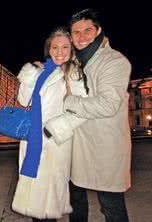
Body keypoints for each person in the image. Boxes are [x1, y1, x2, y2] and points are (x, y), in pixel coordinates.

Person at [44, 9, 132, 222]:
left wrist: (69, 101)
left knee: (111, 205)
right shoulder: (75, 61)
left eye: (87, 31)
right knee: (77, 204)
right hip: (77, 144)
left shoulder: (114, 61)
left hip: (104, 145)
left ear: (98, 30)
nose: (81, 37)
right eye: (76, 32)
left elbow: (108, 105)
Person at [11, 27, 87, 221]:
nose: (59, 52)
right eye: (55, 47)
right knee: (36, 203)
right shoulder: (41, 71)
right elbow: (23, 99)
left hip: (54, 142)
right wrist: (30, 74)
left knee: (48, 203)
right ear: (48, 49)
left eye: (64, 47)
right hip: (32, 141)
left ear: (71, 49)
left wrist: (53, 129)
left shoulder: (74, 73)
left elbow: (82, 109)